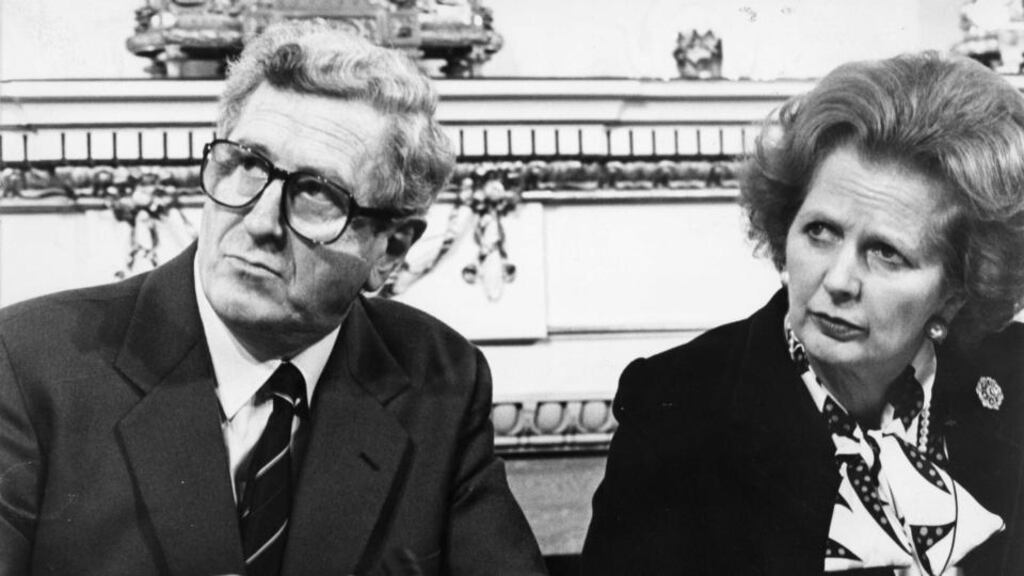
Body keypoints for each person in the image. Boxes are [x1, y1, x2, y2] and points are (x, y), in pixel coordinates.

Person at [0, 20, 546, 576]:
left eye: (316, 193)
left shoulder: (440, 378)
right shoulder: (28, 363)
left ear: (391, 249)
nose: (260, 221)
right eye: (247, 165)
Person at [582, 52, 1024, 576]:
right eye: (820, 231)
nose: (838, 280)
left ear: (955, 292)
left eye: (886, 253)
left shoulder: (1013, 381)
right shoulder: (679, 406)